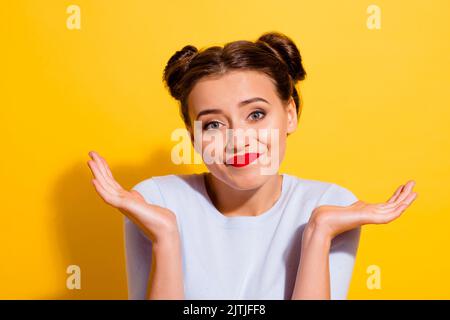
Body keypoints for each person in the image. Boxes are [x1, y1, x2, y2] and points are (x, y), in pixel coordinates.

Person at [86, 31, 418, 300]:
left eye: (256, 115)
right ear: (193, 136)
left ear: (289, 114)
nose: (238, 140)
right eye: (213, 124)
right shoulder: (157, 201)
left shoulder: (330, 206)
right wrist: (166, 237)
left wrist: (319, 232)